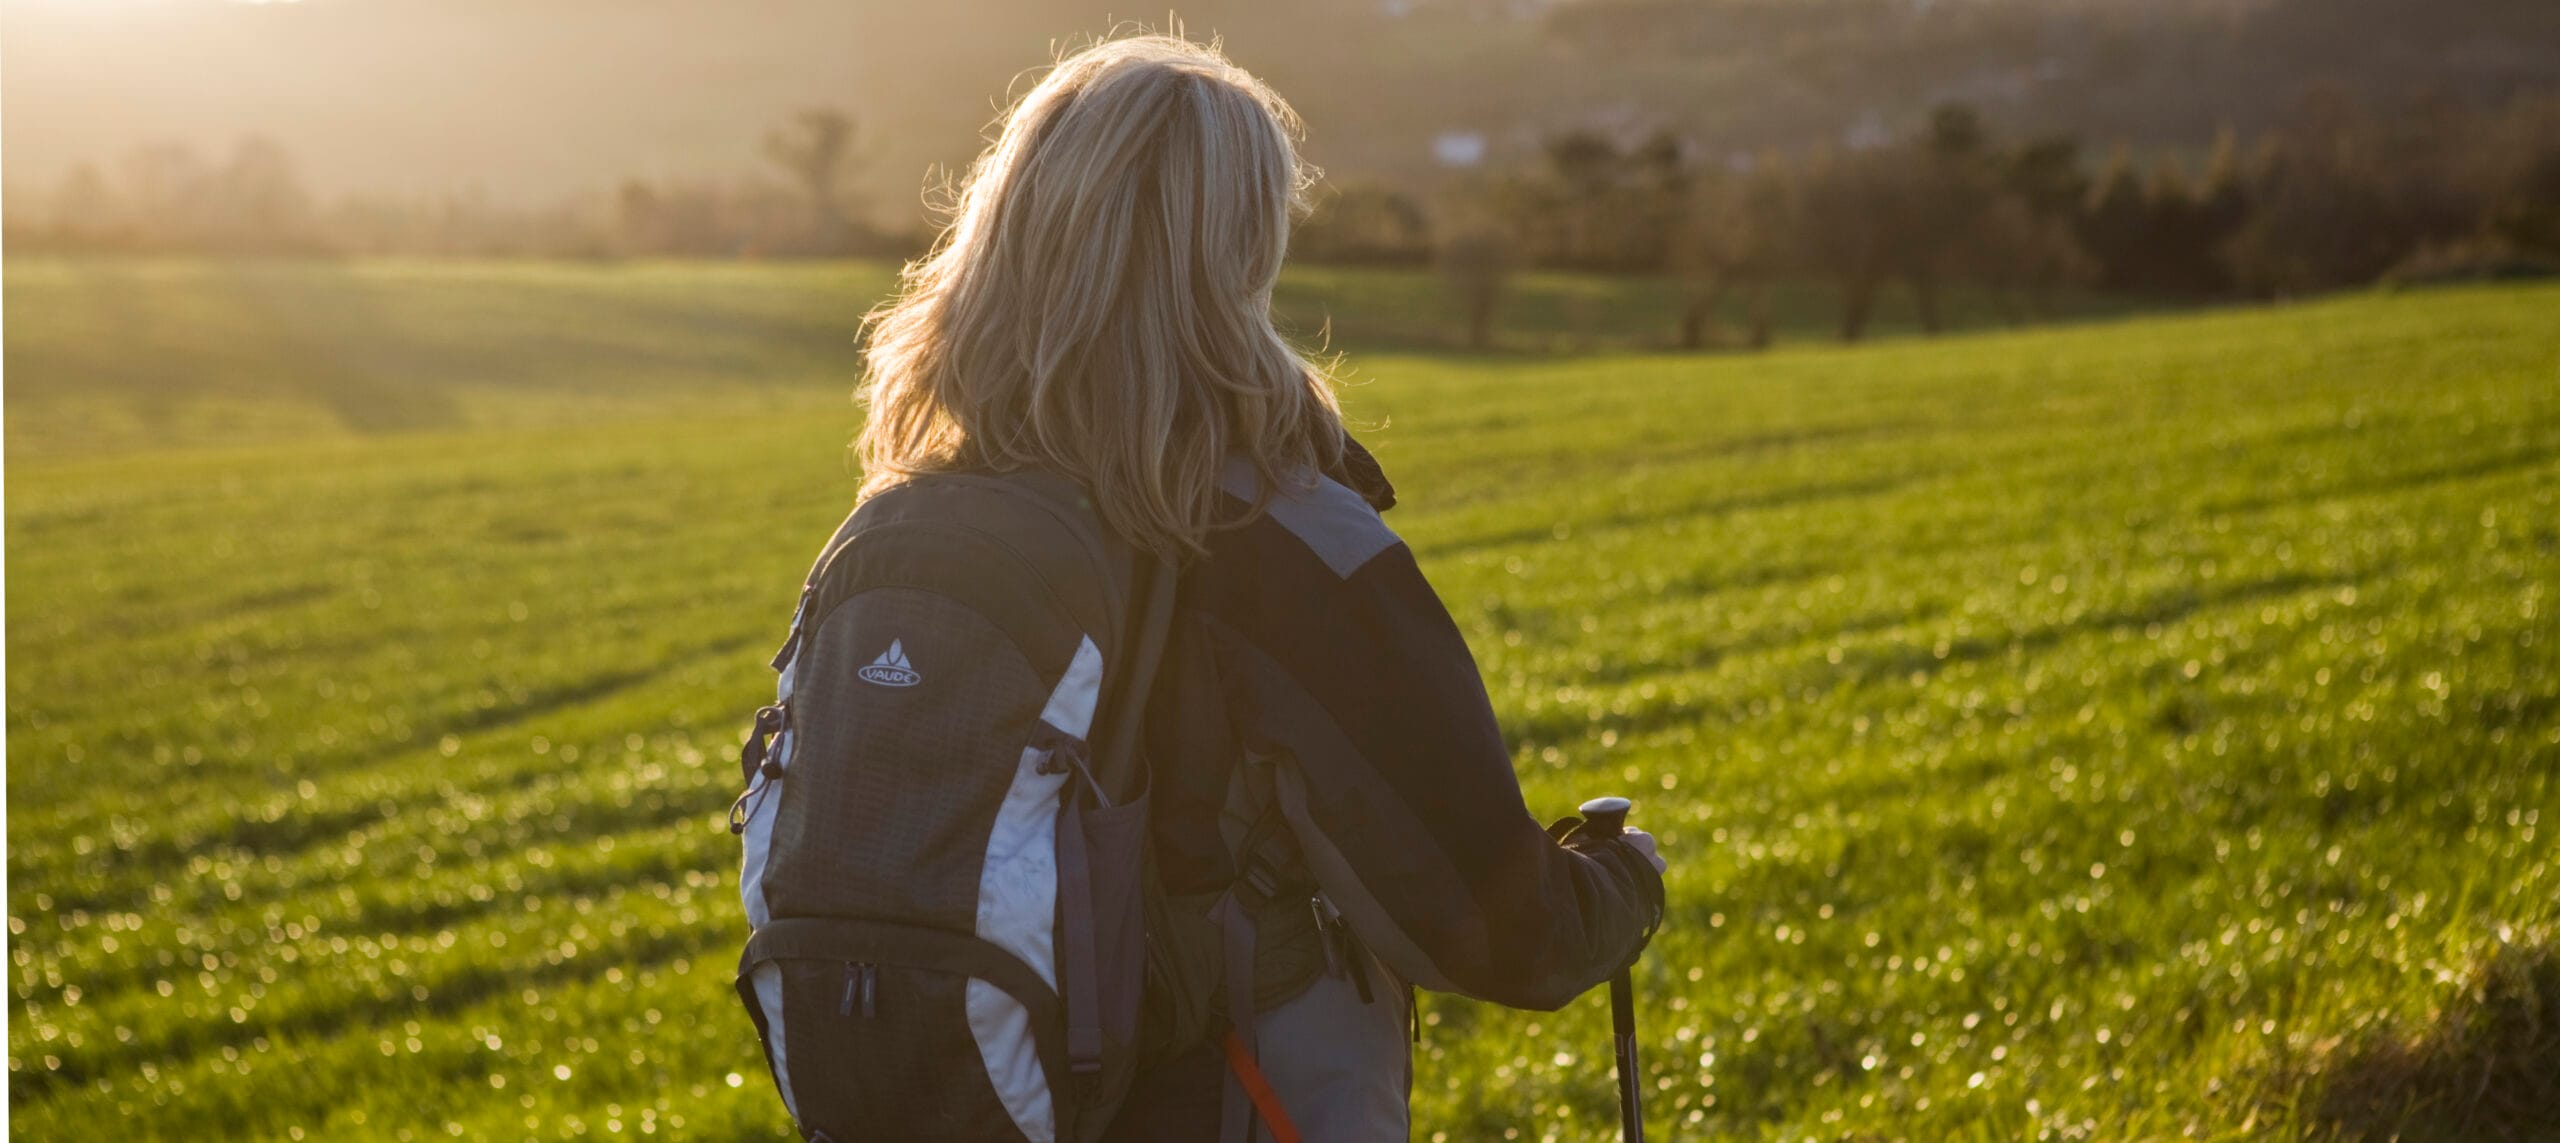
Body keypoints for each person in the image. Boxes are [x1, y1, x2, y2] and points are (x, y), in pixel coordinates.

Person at [851, 32, 1668, 1141]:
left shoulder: (903, 518)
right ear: (1238, 253)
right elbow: (1500, 929)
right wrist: (1623, 884)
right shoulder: (1278, 539)